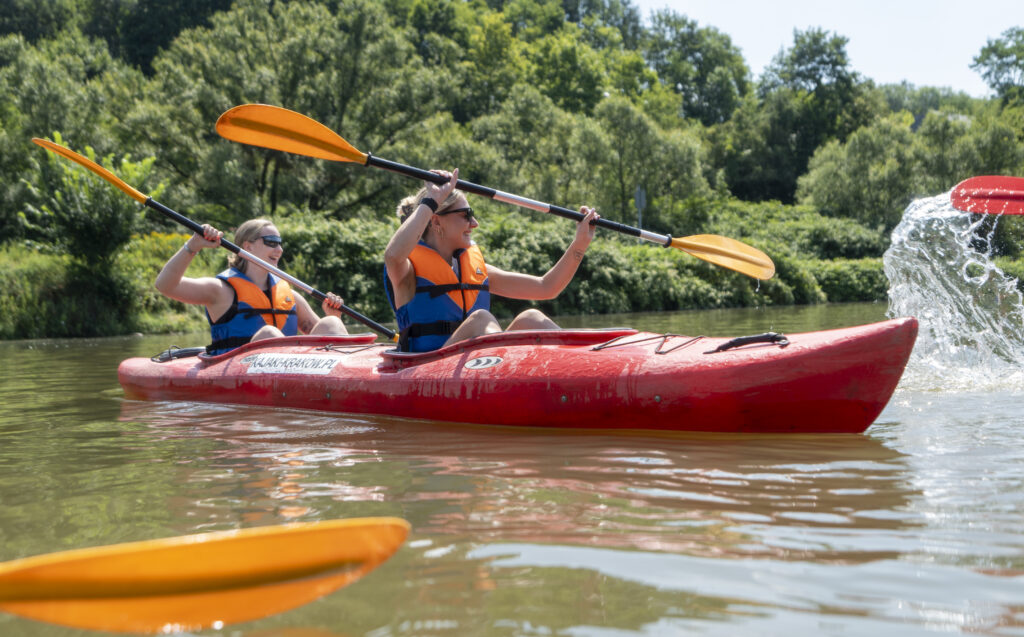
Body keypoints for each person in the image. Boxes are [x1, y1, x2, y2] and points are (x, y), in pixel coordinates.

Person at [383, 168, 598, 353]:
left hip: (474, 368)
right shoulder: (407, 273)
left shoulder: (478, 271)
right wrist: (432, 200)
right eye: (465, 214)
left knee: (531, 318)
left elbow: (547, 287)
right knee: (481, 319)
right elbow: (392, 256)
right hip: (428, 371)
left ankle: (585, 367)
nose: (474, 223)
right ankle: (506, 375)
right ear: (436, 221)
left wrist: (580, 242)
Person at [156, 218, 348, 355]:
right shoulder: (221, 291)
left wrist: (334, 316)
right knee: (269, 333)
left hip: (294, 368)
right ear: (248, 247)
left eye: (280, 244)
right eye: (271, 242)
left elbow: (322, 337)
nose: (279, 250)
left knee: (331, 324)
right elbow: (165, 285)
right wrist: (194, 245)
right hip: (238, 371)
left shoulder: (291, 297)